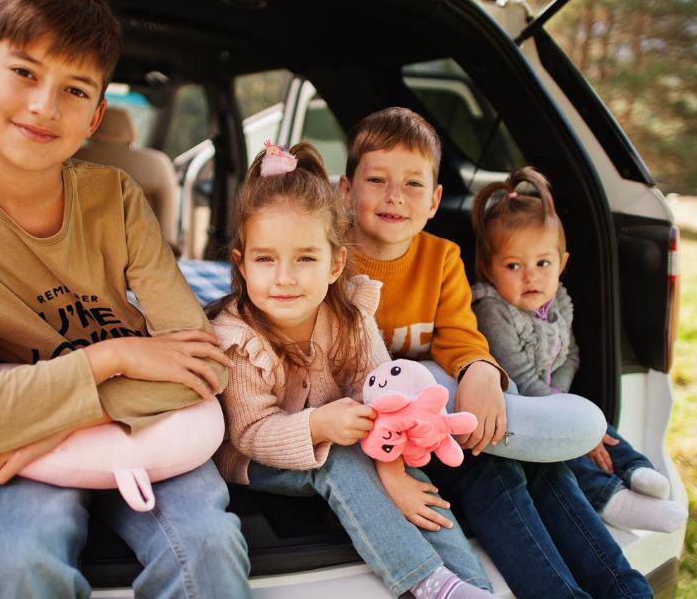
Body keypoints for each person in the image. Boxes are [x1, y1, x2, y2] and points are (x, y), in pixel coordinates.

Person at [0, 0, 250, 596]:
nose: (43, 106)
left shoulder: (117, 196)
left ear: (96, 115)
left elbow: (201, 359)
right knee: (19, 564)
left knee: (209, 545)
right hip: (14, 445)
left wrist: (62, 421)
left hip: (82, 425)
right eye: (25, 72)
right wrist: (115, 357)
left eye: (75, 90)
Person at [339, 107, 652, 598]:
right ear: (345, 190)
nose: (395, 196)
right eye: (376, 179)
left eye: (413, 184)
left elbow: (459, 334)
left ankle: (626, 589)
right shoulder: (331, 260)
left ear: (436, 199)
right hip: (372, 440)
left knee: (539, 465)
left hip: (440, 425)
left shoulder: (441, 258)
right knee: (497, 473)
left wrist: (481, 371)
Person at [209, 141, 494, 599]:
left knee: (406, 477)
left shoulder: (350, 318)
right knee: (341, 458)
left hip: (343, 433)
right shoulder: (237, 338)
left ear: (334, 263)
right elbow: (249, 432)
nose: (284, 277)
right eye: (265, 259)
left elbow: (386, 393)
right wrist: (320, 425)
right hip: (258, 459)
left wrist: (395, 470)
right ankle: (428, 584)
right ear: (241, 264)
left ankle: (474, 586)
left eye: (305, 258)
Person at [469, 166, 687, 534]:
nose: (531, 276)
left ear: (562, 264)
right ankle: (610, 499)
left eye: (543, 263)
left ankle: (635, 469)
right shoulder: (492, 310)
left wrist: (567, 401)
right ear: (489, 271)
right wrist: (565, 413)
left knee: (600, 423)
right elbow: (519, 375)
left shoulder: (560, 303)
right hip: (515, 408)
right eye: (513, 266)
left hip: (552, 398)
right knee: (566, 445)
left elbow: (570, 355)